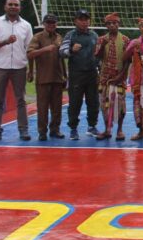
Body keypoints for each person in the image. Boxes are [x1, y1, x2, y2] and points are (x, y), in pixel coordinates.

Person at [0, 0, 33, 142]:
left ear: (20, 8)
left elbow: (30, 49)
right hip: (1, 66)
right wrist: (6, 41)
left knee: (21, 100)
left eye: (16, 5)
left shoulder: (26, 25)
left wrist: (31, 69)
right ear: (5, 7)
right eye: (10, 4)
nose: (13, 7)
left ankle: (23, 129)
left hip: (19, 67)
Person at [59, 9, 100, 140]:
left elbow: (99, 54)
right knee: (75, 102)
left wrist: (100, 70)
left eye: (86, 19)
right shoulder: (70, 35)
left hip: (92, 73)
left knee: (94, 102)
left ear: (89, 21)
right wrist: (71, 50)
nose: (84, 22)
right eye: (81, 19)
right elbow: (61, 51)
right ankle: (73, 128)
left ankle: (92, 126)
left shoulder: (94, 35)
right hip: (76, 74)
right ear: (75, 21)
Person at [27, 14, 66, 141]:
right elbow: (30, 54)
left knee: (57, 107)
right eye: (48, 22)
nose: (51, 25)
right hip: (43, 78)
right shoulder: (37, 37)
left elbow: (62, 58)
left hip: (57, 77)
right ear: (44, 24)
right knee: (42, 108)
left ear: (56, 24)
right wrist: (44, 50)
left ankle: (55, 129)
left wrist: (65, 76)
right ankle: (42, 132)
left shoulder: (59, 37)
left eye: (53, 23)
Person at [94, 13, 131, 141]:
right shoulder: (101, 39)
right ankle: (107, 129)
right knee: (104, 104)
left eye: (114, 23)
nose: (112, 25)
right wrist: (102, 46)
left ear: (118, 24)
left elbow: (128, 60)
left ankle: (119, 130)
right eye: (109, 23)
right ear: (106, 26)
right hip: (105, 78)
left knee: (120, 104)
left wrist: (121, 76)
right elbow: (97, 56)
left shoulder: (125, 40)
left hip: (119, 77)